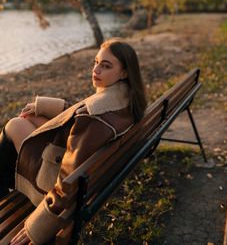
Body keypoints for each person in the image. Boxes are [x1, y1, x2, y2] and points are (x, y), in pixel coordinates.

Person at [0, 38, 147, 245]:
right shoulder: (126, 98)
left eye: (105, 66)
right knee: (28, 119)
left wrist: (39, 225)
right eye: (96, 62)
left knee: (14, 126)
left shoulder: (94, 116)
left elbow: (69, 178)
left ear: (124, 72)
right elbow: (79, 114)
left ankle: (4, 190)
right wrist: (45, 107)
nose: (96, 70)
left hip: (58, 187)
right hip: (91, 176)